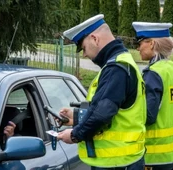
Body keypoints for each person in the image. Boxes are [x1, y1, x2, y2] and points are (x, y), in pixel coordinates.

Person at [56, 14, 147, 170]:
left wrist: (74, 135)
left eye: (83, 47)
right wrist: (76, 117)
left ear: (95, 39)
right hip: (124, 160)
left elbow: (102, 114)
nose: (84, 54)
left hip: (116, 162)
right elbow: (111, 108)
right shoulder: (121, 63)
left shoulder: (116, 69)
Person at [132, 22, 173, 170]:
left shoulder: (153, 74)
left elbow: (148, 116)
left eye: (139, 43)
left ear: (151, 43)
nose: (138, 48)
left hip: (155, 154)